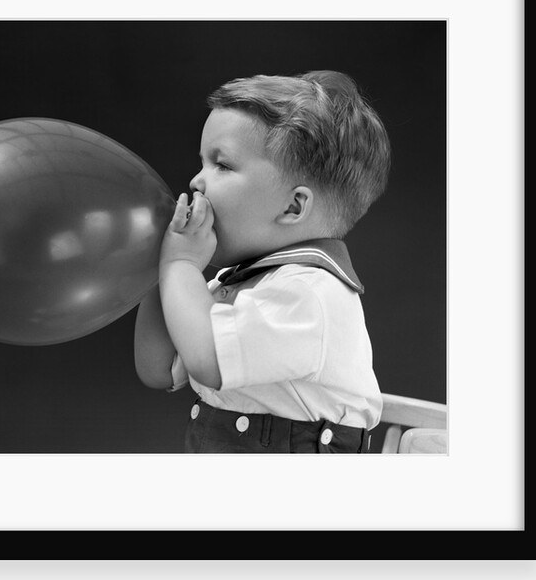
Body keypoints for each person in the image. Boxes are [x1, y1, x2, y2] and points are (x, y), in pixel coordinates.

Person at [133, 71, 391, 453]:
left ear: (292, 206)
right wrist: (160, 271)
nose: (196, 182)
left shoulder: (308, 294)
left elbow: (208, 360)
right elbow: (158, 368)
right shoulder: (237, 283)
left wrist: (181, 268)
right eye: (202, 163)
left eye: (221, 165)